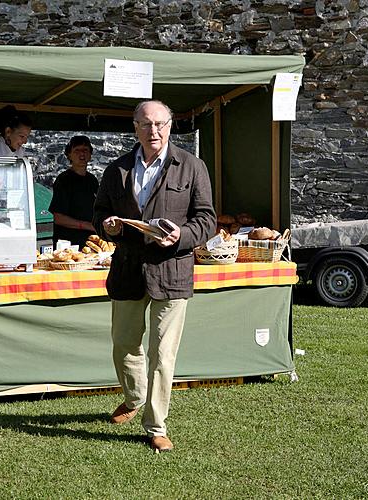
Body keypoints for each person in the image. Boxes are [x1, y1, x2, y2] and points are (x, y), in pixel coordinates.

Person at [93, 100, 216, 452]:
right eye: (146, 125)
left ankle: (155, 425)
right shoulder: (116, 169)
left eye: (160, 124)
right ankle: (134, 399)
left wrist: (183, 236)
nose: (154, 131)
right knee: (124, 345)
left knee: (163, 354)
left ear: (171, 125)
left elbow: (206, 219)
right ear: (135, 127)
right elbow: (99, 213)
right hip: (128, 269)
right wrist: (107, 226)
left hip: (172, 271)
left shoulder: (191, 167)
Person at [48, 136, 98, 248]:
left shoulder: (92, 180)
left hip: (90, 242)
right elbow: (58, 218)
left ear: (90, 154)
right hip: (68, 244)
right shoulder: (64, 180)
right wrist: (87, 225)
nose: (82, 154)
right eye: (77, 150)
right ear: (69, 155)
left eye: (85, 150)